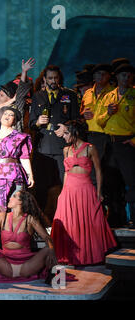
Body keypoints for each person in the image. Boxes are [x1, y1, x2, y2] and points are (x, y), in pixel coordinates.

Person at [51, 120, 117, 265]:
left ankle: (88, 255)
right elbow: (66, 172)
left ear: (76, 132)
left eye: (67, 133)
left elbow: (99, 171)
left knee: (89, 220)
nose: (64, 136)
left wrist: (99, 192)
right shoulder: (66, 150)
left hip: (85, 188)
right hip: (69, 189)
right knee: (69, 222)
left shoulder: (90, 148)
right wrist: (63, 192)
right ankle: (70, 256)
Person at [0, 191, 58, 286]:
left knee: (48, 249)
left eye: (14, 196)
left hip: (26, 266)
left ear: (21, 202)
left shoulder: (30, 219)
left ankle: (52, 277)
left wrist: (52, 250)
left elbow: (46, 237)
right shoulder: (2, 217)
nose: (10, 198)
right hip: (6, 265)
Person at [29, 65, 80, 218]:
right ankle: (41, 219)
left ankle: (67, 216)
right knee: (41, 185)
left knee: (65, 184)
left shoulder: (69, 95)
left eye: (55, 78)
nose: (53, 81)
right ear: (44, 79)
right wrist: (38, 122)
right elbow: (32, 123)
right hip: (43, 147)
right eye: (50, 78)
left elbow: (77, 120)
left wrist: (66, 127)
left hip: (62, 147)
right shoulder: (38, 96)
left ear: (60, 78)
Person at [97, 63, 135, 228]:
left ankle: (133, 218)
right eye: (122, 75)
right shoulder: (108, 96)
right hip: (110, 143)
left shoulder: (134, 94)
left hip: (127, 143)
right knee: (112, 183)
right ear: (117, 78)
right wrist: (108, 113)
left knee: (132, 182)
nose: (126, 78)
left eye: (129, 75)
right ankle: (115, 219)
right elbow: (99, 121)